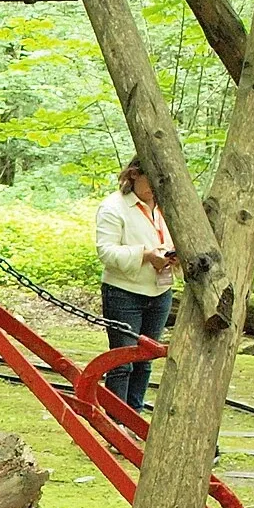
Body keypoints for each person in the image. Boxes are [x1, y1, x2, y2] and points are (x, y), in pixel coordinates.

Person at [94, 157, 176, 411]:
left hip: (160, 292)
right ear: (133, 176)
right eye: (149, 181)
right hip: (124, 293)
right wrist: (146, 255)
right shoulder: (113, 207)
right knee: (122, 361)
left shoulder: (168, 206)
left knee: (146, 358)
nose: (154, 188)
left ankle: (134, 415)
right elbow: (106, 252)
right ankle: (116, 421)